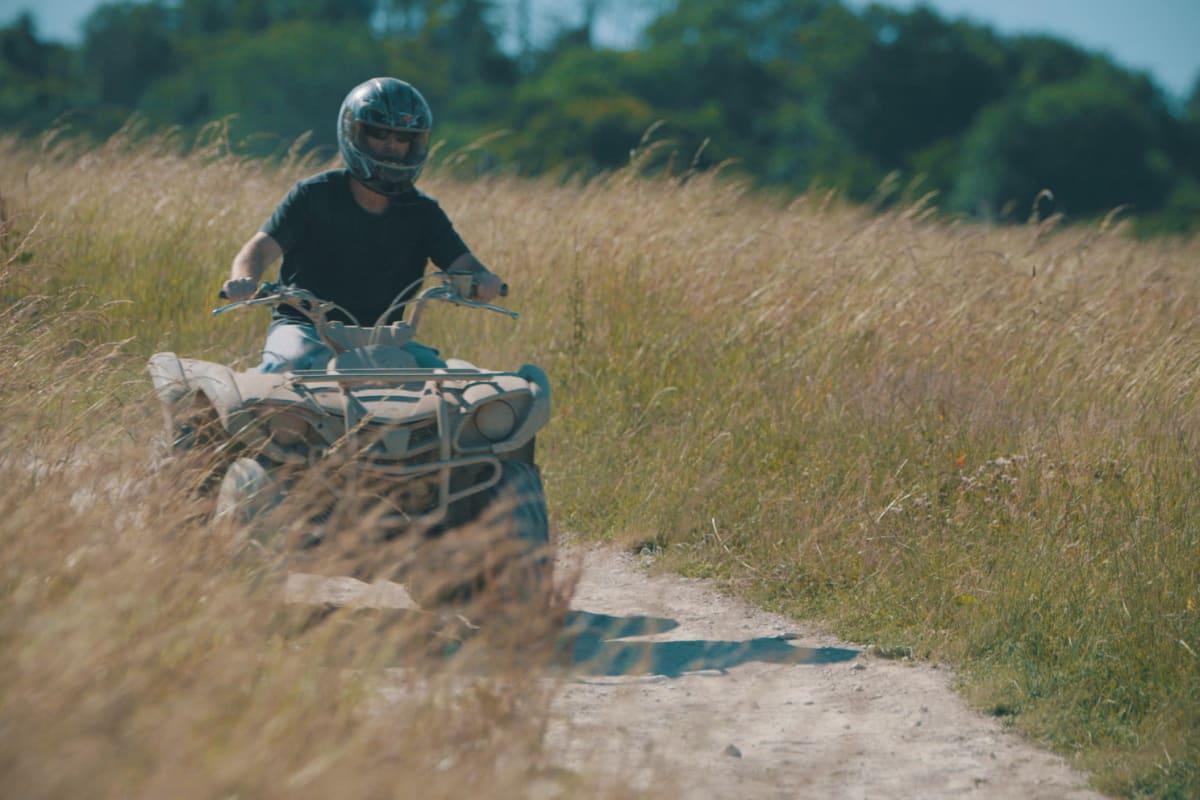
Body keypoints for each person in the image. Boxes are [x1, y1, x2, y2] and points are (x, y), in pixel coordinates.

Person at [221, 76, 505, 372]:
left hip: (385, 339)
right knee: (285, 370)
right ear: (354, 133)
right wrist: (245, 279)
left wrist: (484, 280)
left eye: (403, 137)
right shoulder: (313, 194)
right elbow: (260, 249)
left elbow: (463, 264)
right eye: (379, 132)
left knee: (445, 383)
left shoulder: (423, 211)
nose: (391, 145)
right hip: (306, 329)